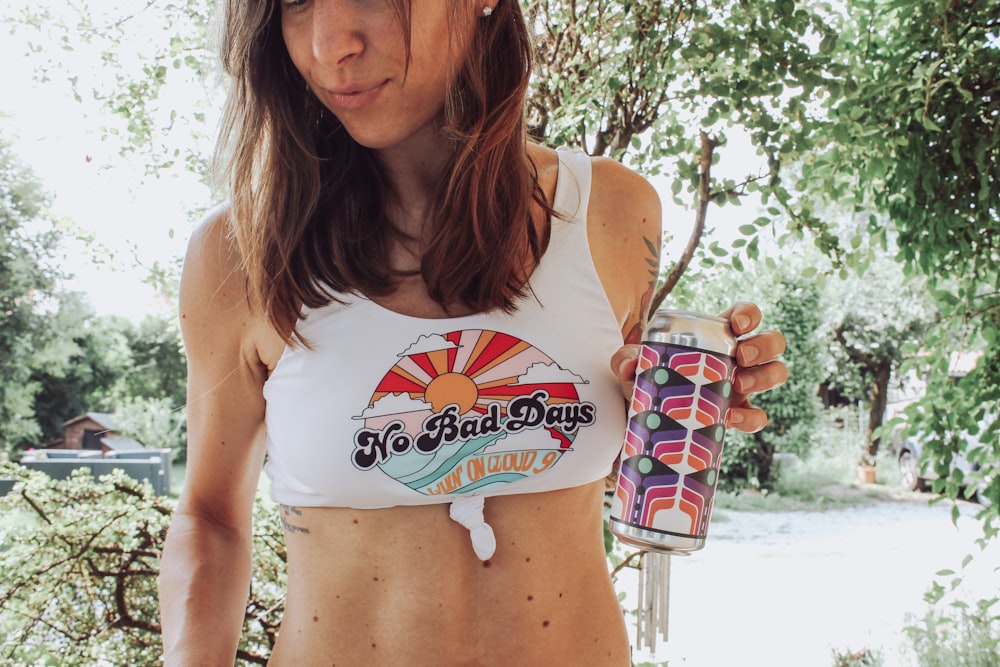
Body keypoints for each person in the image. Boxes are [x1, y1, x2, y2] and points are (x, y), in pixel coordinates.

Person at [157, 1, 788, 665]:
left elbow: (580, 471)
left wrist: (679, 406)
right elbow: (210, 516)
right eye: (294, 3)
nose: (327, 43)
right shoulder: (240, 255)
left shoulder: (612, 214)